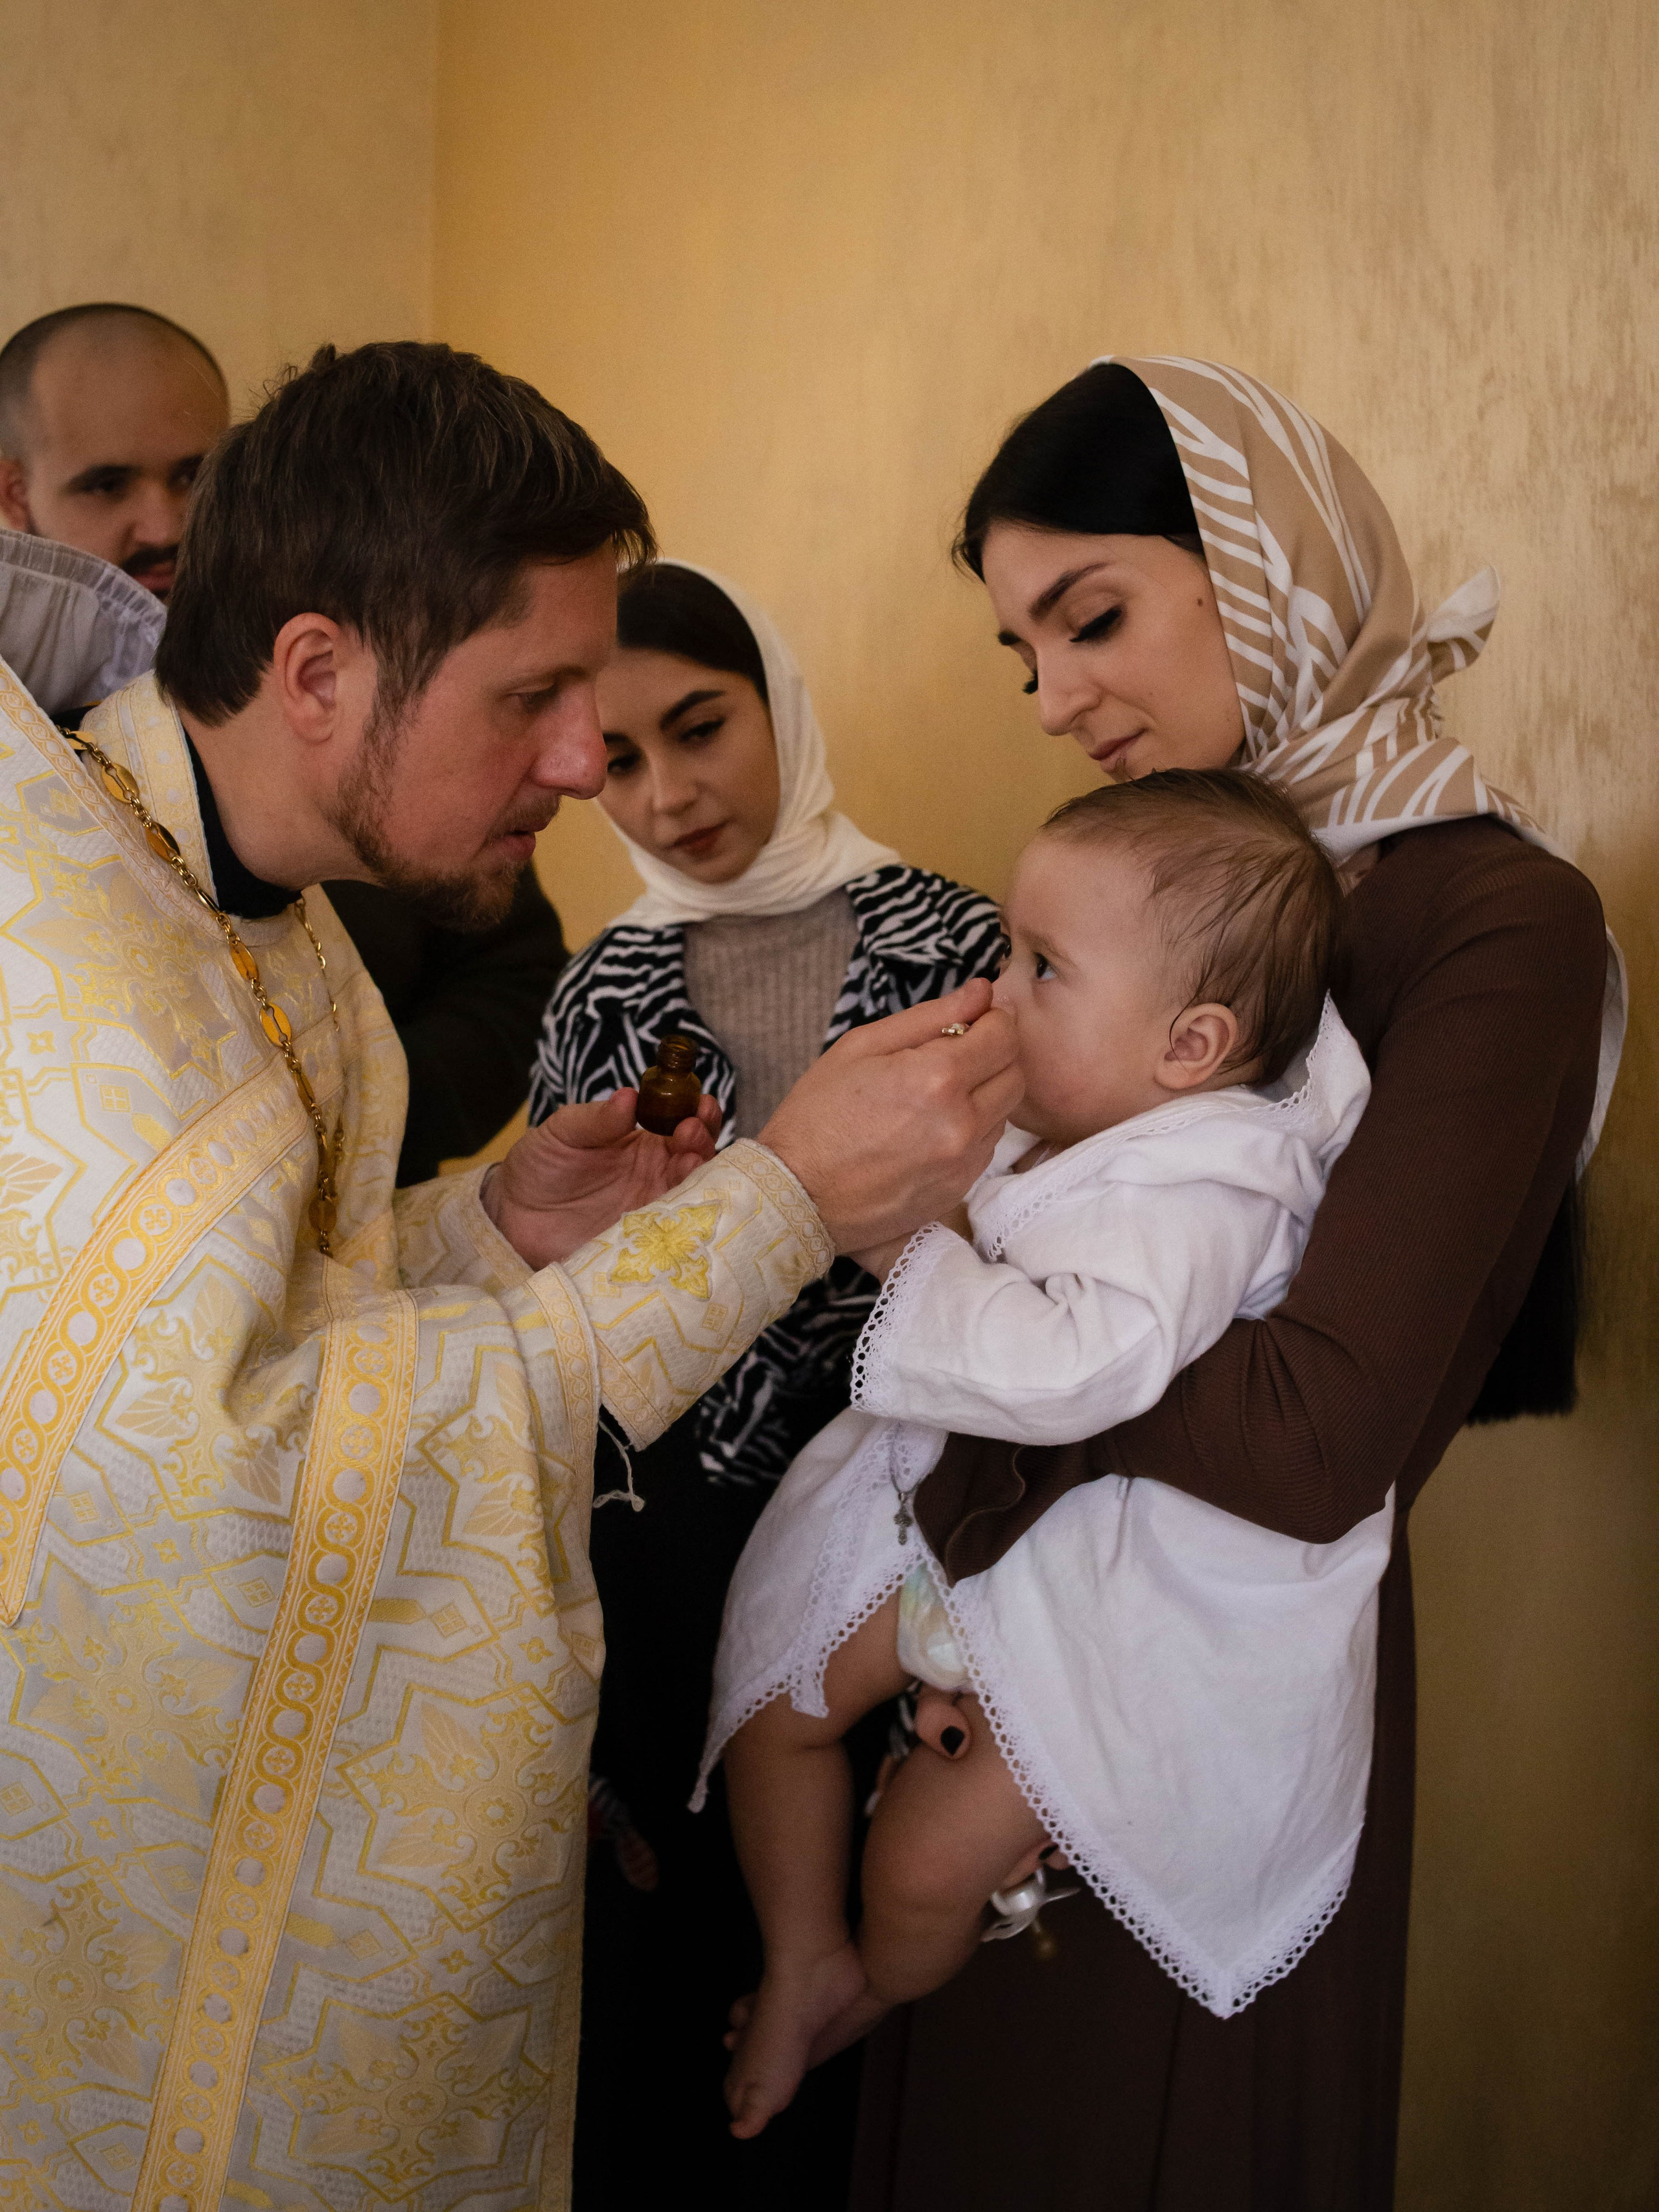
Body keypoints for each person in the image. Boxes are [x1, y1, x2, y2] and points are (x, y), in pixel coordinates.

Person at [0, 337, 1021, 2207]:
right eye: (537, 698)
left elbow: (262, 1311)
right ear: (320, 672)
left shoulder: (273, 917)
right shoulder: (55, 955)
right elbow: (218, 1499)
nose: (582, 764)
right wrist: (779, 1202)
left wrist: (491, 1232)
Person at [849, 358, 1623, 2212]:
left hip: (1213, 1666)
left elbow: (1311, 1434)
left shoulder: (1492, 920)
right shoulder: (1152, 891)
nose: (1056, 699)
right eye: (1023, 656)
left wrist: (994, 1352)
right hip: (995, 1607)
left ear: (1262, 574)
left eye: (1092, 618)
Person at [704, 770, 1381, 2138]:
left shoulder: (1203, 1186)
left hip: (1114, 1584)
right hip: (984, 1519)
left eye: (1041, 966)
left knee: (919, 1866)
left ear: (1189, 1046)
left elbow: (1088, 1363)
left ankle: (874, 1975)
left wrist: (913, 1245)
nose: (997, 988)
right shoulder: (1085, 1120)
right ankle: (800, 1954)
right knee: (775, 1699)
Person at [527, 559, 1004, 2202]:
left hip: (907, 1505)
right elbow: (568, 1292)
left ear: (778, 703)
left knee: (897, 1911)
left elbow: (1030, 1220)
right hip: (669, 1530)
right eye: (620, 758)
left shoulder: (960, 944)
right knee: (680, 1939)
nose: (669, 795)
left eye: (700, 727)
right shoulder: (604, 986)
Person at [0, 301, 569, 1178]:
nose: (163, 525)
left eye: (192, 475)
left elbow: (512, 968)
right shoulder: (23, 774)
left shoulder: (352, 669)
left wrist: (347, 1126)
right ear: (15, 492)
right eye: (107, 485)